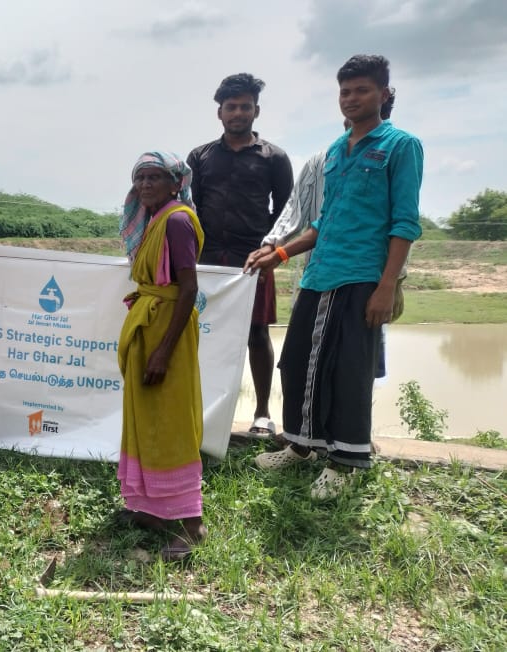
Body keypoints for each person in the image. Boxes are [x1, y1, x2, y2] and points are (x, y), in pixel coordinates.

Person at [246, 55, 423, 499]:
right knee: (298, 363)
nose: (351, 99)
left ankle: (347, 463)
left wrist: (386, 286)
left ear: (383, 94)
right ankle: (301, 446)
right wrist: (280, 252)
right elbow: (322, 225)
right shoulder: (335, 153)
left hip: (362, 278)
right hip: (319, 276)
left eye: (361, 90)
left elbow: (404, 222)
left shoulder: (400, 146)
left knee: (349, 370)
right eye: (345, 91)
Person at [188, 73, 293, 439]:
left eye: (245, 106)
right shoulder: (199, 157)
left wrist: (271, 249)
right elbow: (190, 208)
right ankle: (201, 407)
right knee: (202, 333)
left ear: (256, 111)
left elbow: (286, 212)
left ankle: (263, 412)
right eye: (231, 107)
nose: (238, 112)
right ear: (219, 113)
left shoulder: (274, 158)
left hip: (254, 261)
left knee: (256, 333)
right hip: (207, 259)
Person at [115, 152, 206, 561]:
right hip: (150, 324)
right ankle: (153, 509)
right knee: (148, 417)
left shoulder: (177, 220)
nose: (146, 184)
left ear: (175, 183)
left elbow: (188, 288)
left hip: (167, 332)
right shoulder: (156, 219)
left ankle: (192, 526)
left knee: (171, 424)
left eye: (155, 177)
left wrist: (163, 353)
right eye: (140, 178)